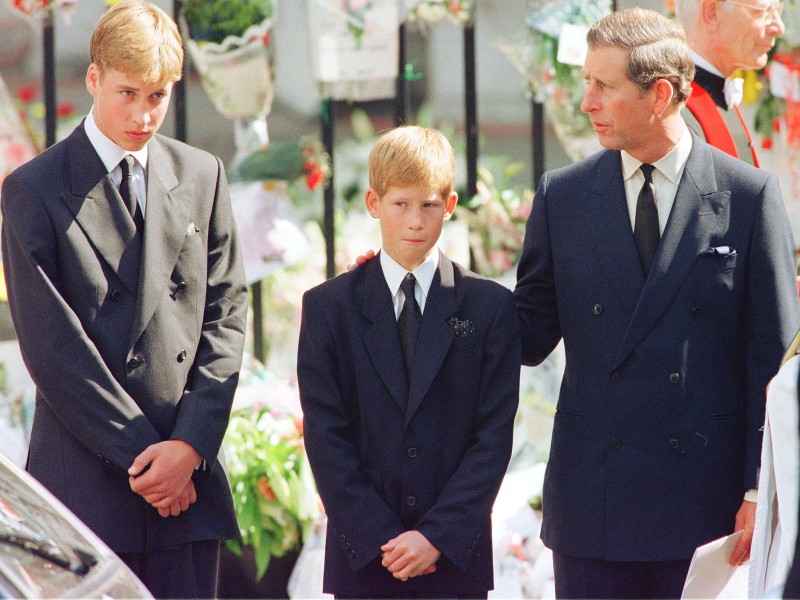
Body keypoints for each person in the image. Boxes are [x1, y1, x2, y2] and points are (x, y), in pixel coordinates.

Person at [513, 8, 800, 598]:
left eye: (603, 85)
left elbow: (772, 363)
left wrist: (756, 492)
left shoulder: (748, 197)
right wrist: (429, 279)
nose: (586, 101)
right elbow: (526, 332)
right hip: (594, 509)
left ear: (659, 94)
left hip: (705, 513)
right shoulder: (562, 197)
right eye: (586, 82)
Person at [0, 1, 248, 598]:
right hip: (88, 483)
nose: (142, 114)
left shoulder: (201, 173)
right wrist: (150, 461)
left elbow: (228, 315)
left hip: (186, 481)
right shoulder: (32, 190)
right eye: (127, 92)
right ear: (93, 79)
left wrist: (189, 447)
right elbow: (55, 349)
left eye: (158, 96)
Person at [297, 125, 520, 598]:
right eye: (401, 205)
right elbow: (325, 435)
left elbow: (493, 437)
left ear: (451, 205)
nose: (416, 221)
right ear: (374, 204)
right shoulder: (328, 309)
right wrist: (383, 539)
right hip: (365, 559)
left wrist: (436, 536)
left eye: (429, 205)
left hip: (454, 560)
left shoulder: (488, 307)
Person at [675, 0, 786, 167]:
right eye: (764, 11)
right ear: (712, 13)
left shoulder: (721, 93)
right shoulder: (673, 113)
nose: (779, 27)